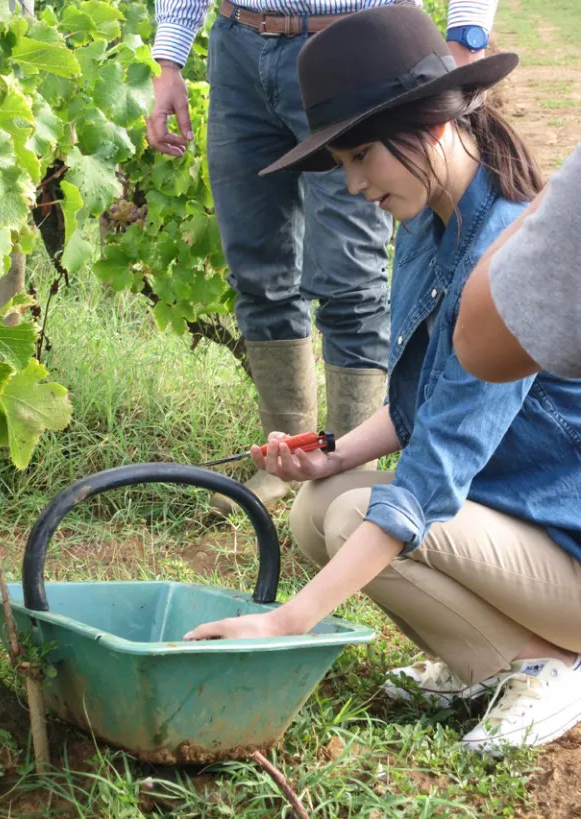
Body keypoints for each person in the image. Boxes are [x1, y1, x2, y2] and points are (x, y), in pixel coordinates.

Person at [183, 6, 581, 754]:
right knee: (317, 503)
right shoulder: (432, 220)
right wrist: (333, 451)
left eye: (360, 155)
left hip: (566, 539)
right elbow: (424, 399)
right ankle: (488, 659)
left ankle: (549, 664)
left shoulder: (497, 262)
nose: (354, 182)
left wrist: (287, 619)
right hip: (520, 520)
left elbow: (429, 479)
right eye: (342, 164)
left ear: (430, 125)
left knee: (354, 516)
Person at [148, 0, 501, 513]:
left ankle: (349, 474)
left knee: (350, 283)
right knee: (256, 271)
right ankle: (287, 461)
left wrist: (467, 33)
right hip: (239, 43)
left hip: (356, 51)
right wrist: (170, 59)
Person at [454, 142, 581, 382]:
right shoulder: (421, 227)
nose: (358, 185)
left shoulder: (496, 223)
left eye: (364, 155)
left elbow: (480, 344)